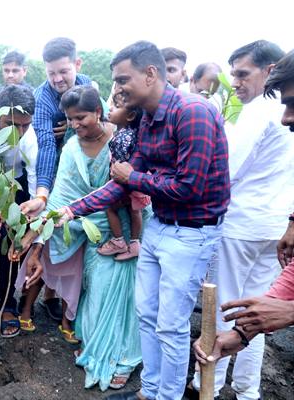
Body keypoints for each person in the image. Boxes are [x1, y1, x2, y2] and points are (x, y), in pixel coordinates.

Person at [52, 41, 229, 400]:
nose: (117, 89)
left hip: (192, 234)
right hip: (161, 227)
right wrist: (72, 210)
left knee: (171, 326)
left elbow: (189, 187)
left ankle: (167, 396)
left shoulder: (192, 112)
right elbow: (123, 183)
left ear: (151, 74)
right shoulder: (147, 120)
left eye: (123, 79)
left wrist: (133, 178)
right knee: (147, 316)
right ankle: (149, 391)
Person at [19, 85, 147, 391]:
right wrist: (35, 240)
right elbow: (60, 199)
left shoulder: (124, 138)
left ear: (99, 112)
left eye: (81, 118)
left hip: (125, 231)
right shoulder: (72, 148)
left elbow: (130, 189)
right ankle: (95, 349)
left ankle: (124, 358)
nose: (75, 125)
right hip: (94, 233)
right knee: (96, 294)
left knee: (123, 299)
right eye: (70, 119)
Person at [188, 40, 289, 400]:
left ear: (271, 70)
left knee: (224, 307)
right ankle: (247, 392)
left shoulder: (261, 110)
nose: (236, 83)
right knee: (258, 315)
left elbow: (227, 170)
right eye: (233, 75)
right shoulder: (286, 107)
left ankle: (206, 385)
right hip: (277, 229)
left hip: (242, 226)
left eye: (243, 74)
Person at [19, 37, 92, 320]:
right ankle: (32, 302)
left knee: (74, 243)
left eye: (63, 71)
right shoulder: (43, 98)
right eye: (51, 73)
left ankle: (55, 297)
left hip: (85, 177)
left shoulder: (88, 86)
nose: (58, 79)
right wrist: (42, 194)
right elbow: (47, 147)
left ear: (77, 64)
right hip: (55, 179)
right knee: (48, 237)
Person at [0, 84, 38, 337]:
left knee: (13, 246)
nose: (19, 132)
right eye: (12, 124)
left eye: (25, 125)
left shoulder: (30, 138)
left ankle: (6, 301)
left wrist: (31, 220)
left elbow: (33, 180)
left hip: (17, 185)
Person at [96, 93, 146, 260]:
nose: (110, 108)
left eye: (116, 107)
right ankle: (134, 243)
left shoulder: (123, 137)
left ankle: (118, 240)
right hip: (136, 181)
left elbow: (120, 163)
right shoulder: (132, 132)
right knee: (135, 211)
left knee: (110, 207)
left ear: (130, 115)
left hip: (124, 181)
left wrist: (113, 184)